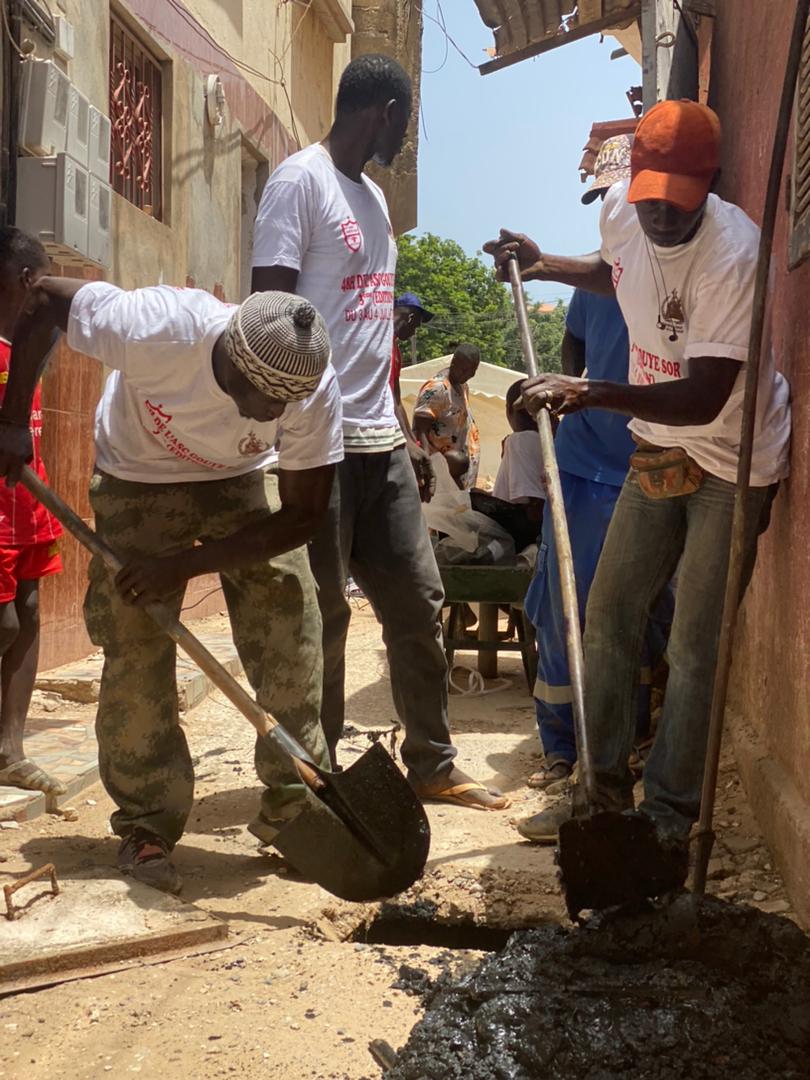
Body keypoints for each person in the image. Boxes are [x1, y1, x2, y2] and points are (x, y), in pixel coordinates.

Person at [485, 100, 790, 872]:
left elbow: (704, 398)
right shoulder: (624, 211)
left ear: (709, 183)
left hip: (732, 457)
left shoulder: (735, 254)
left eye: (674, 201)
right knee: (610, 613)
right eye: (648, 195)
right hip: (659, 445)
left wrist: (593, 391)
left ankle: (666, 818)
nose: (657, 214)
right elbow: (616, 274)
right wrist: (545, 260)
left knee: (694, 645)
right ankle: (600, 797)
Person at [0, 266, 343, 894]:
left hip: (242, 482)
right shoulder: (157, 327)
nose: (275, 413)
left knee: (290, 625)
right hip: (137, 475)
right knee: (136, 645)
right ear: (231, 363)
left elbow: (302, 515)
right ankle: (146, 823)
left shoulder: (308, 386)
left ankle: (300, 806)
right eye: (264, 400)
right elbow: (45, 296)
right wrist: (13, 419)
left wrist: (182, 565)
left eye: (285, 403)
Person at [252, 54, 508, 811]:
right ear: (388, 112)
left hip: (380, 442)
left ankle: (431, 761)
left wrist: (397, 429)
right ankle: (319, 783)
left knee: (418, 602)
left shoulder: (372, 203)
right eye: (408, 121)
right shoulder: (299, 182)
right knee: (322, 618)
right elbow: (269, 313)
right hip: (316, 445)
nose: (406, 134)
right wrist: (301, 421)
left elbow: (372, 339)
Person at [511, 136, 672, 842]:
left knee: (631, 614)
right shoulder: (595, 279)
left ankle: (625, 742)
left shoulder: (670, 275)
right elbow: (575, 351)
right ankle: (561, 750)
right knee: (560, 602)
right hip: (580, 464)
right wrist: (564, 395)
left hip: (642, 464)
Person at [0, 228, 64, 798]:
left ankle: (10, 751)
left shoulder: (28, 345)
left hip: (27, 507)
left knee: (31, 613)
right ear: (25, 281)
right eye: (43, 282)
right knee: (5, 624)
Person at [469, 379, 546, 553]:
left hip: (523, 537)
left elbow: (534, 510)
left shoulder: (521, 440)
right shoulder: (546, 440)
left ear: (509, 409)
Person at [413, 343, 481, 490]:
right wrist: (427, 466)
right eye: (464, 369)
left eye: (473, 371)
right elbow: (420, 430)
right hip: (440, 471)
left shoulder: (462, 386)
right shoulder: (437, 388)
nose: (468, 374)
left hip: (457, 471)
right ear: (453, 362)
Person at [391, 292, 435, 497]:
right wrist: (404, 440)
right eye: (416, 325)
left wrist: (412, 442)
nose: (415, 331)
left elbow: (397, 399)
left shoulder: (395, 349)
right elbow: (386, 396)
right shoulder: (381, 342)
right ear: (410, 317)